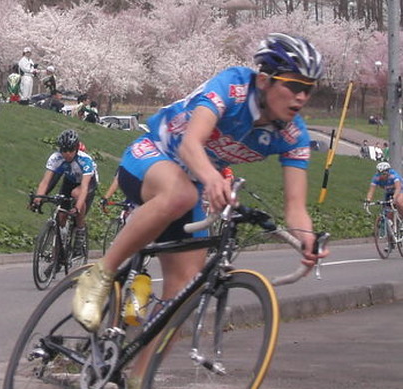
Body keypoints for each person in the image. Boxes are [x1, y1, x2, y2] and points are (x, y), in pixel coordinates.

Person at [70, 33, 329, 386]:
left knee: (185, 293)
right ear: (265, 80)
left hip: (191, 183)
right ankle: (100, 274)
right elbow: (192, 143)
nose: (301, 96)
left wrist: (306, 240)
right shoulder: (233, 86)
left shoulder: (292, 135)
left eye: (308, 89)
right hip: (153, 156)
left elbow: (295, 206)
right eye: (294, 85)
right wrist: (211, 178)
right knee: (181, 195)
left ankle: (138, 378)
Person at [32, 129, 98, 257]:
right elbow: (45, 182)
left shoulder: (85, 160)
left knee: (76, 194)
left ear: (76, 149)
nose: (67, 154)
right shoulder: (56, 158)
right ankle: (60, 246)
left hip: (87, 183)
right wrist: (37, 199)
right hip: (69, 181)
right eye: (64, 150)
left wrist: (77, 207)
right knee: (61, 215)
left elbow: (84, 187)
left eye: (71, 150)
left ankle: (80, 230)